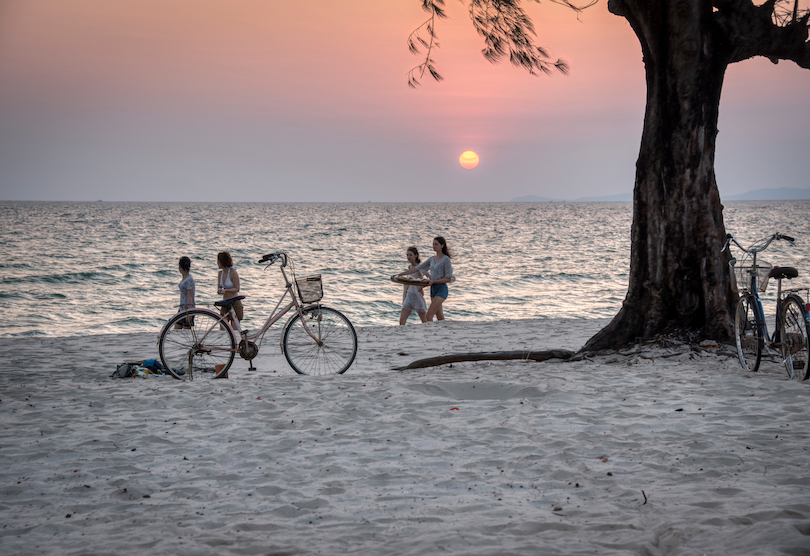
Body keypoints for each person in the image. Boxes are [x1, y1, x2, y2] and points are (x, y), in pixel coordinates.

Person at [398, 236, 453, 322]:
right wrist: (400, 274)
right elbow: (417, 268)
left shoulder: (446, 259)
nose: (434, 246)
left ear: (442, 245)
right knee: (440, 317)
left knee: (428, 316)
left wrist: (434, 280)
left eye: (436, 244)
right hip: (433, 289)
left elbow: (448, 278)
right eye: (433, 244)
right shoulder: (431, 259)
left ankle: (430, 334)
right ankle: (442, 333)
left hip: (442, 289)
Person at [399, 246, 427, 325]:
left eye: (410, 255)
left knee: (424, 321)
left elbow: (428, 279)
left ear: (416, 255)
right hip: (409, 295)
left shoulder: (420, 267)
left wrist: (421, 287)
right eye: (407, 255)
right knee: (402, 321)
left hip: (417, 295)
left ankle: (429, 334)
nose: (408, 257)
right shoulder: (410, 267)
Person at [217, 251, 242, 326]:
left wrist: (226, 290)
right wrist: (219, 290)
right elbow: (219, 287)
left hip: (234, 301)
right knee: (223, 326)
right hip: (225, 302)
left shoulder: (233, 272)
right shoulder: (220, 273)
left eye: (218, 261)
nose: (217, 263)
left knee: (235, 327)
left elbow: (237, 288)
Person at [174, 256, 195, 329]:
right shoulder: (185, 278)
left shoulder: (189, 279)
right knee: (176, 329)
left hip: (187, 309)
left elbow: (190, 296)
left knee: (187, 333)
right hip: (181, 308)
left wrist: (189, 312)